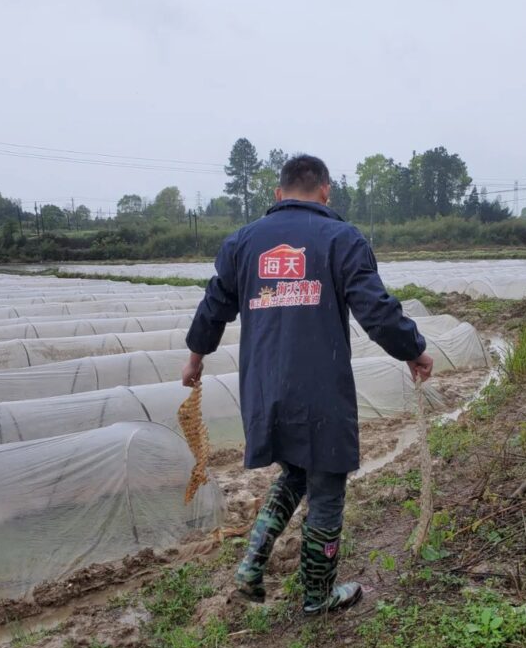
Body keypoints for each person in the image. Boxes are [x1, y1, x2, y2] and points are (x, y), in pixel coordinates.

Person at [182, 154, 433, 615]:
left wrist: (196, 358)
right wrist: (413, 349)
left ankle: (252, 563)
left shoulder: (242, 243)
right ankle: (318, 596)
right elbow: (375, 309)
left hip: (262, 388)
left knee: (296, 470)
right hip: (318, 386)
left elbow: (214, 305)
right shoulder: (341, 239)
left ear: (278, 195)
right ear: (325, 191)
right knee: (328, 481)